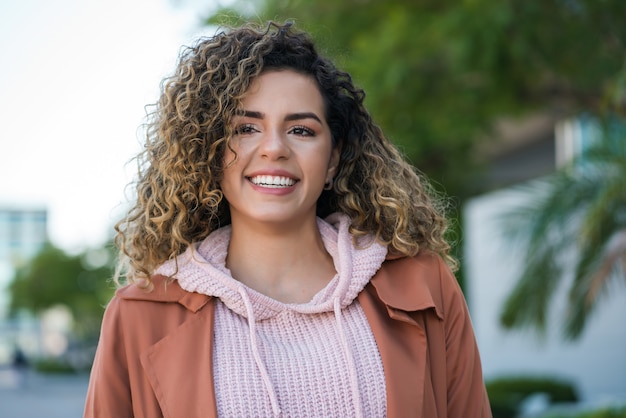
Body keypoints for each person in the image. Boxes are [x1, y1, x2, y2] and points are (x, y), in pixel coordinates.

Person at [83, 21, 492, 418]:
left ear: (332, 159)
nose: (274, 148)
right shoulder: (139, 314)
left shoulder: (425, 287)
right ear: (207, 152)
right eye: (245, 128)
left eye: (300, 130)